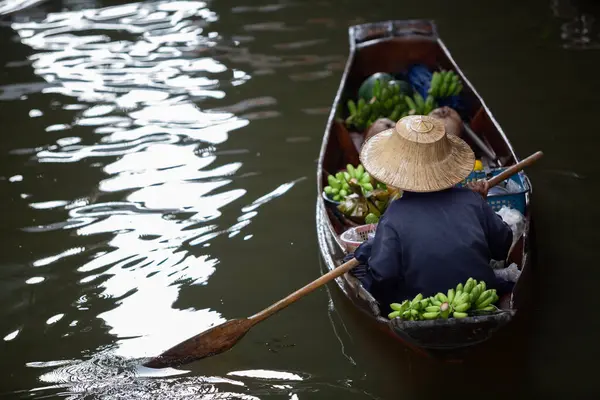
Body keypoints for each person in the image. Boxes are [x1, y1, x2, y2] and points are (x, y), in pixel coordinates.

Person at [346, 115, 514, 314]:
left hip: (422, 306)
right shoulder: (473, 201)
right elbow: (502, 247)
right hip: (482, 294)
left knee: (364, 271)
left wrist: (369, 268)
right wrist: (482, 204)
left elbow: (384, 276)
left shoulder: (394, 216)